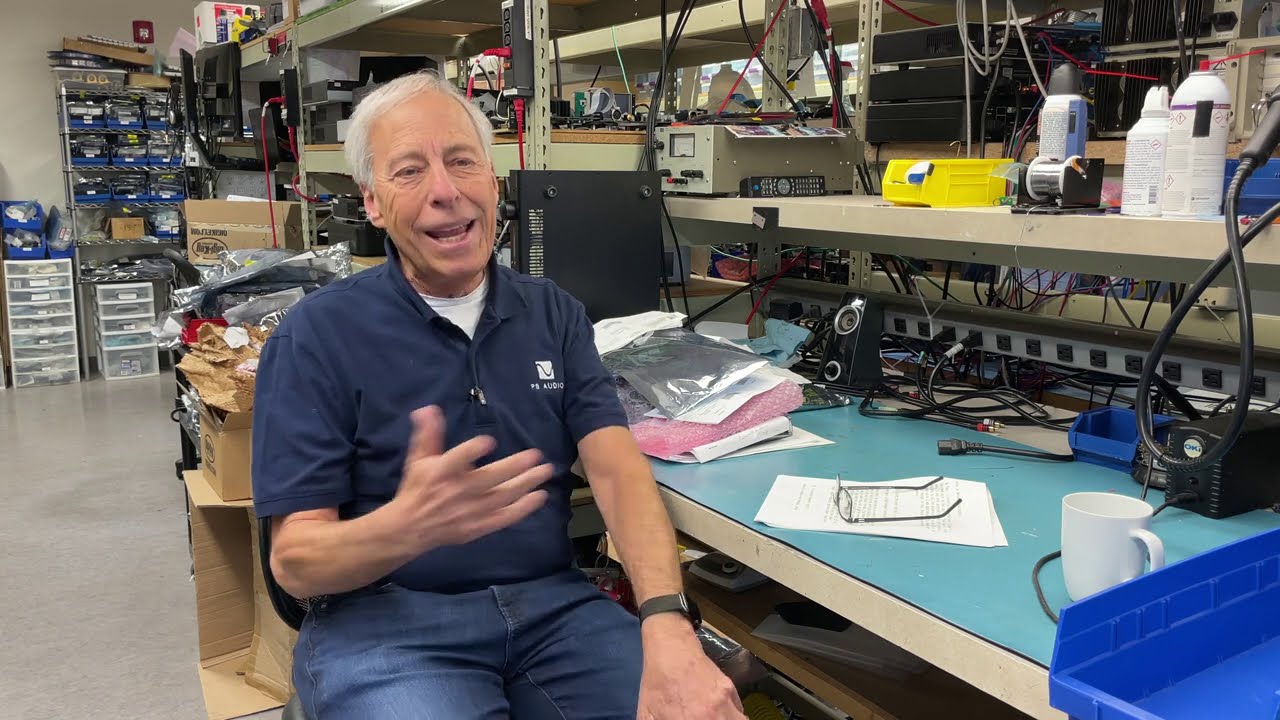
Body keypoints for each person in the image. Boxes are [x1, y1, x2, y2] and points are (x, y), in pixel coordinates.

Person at [252, 71, 745, 719]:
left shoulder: (554, 315)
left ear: (494, 180)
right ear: (371, 202)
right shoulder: (317, 334)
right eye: (409, 171)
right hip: (387, 622)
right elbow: (295, 562)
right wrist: (406, 528)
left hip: (554, 609)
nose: (445, 191)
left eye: (462, 162)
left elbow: (618, 474)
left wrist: (667, 621)